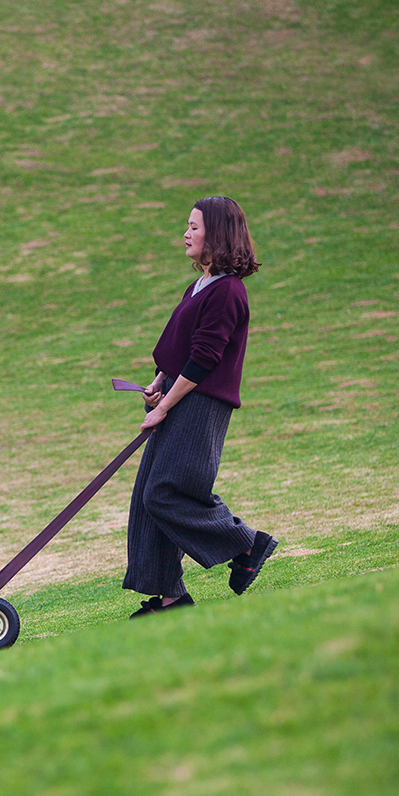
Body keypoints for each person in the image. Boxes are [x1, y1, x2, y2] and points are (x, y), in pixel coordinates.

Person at [125, 196, 278, 618]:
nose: (186, 234)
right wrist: (157, 384)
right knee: (147, 497)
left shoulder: (228, 291)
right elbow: (179, 347)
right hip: (179, 393)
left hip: (201, 402)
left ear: (218, 233)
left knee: (168, 492)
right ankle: (170, 600)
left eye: (194, 227)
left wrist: (163, 407)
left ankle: (246, 543)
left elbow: (205, 358)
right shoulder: (201, 284)